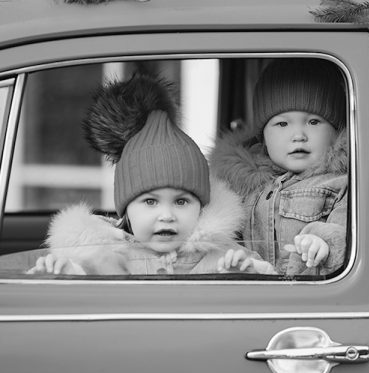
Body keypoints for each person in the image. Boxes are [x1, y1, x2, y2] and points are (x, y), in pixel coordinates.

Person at [28, 72, 275, 276]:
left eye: (181, 201)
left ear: (202, 207)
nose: (166, 216)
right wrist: (65, 272)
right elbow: (82, 289)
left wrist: (245, 271)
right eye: (150, 201)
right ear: (126, 211)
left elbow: (268, 282)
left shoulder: (222, 254)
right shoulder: (104, 255)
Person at [209, 58, 348, 276]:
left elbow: (349, 234)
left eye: (313, 122)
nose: (298, 136)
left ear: (336, 128)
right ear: (263, 135)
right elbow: (221, 236)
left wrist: (323, 241)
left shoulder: (343, 183)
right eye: (282, 124)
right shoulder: (241, 186)